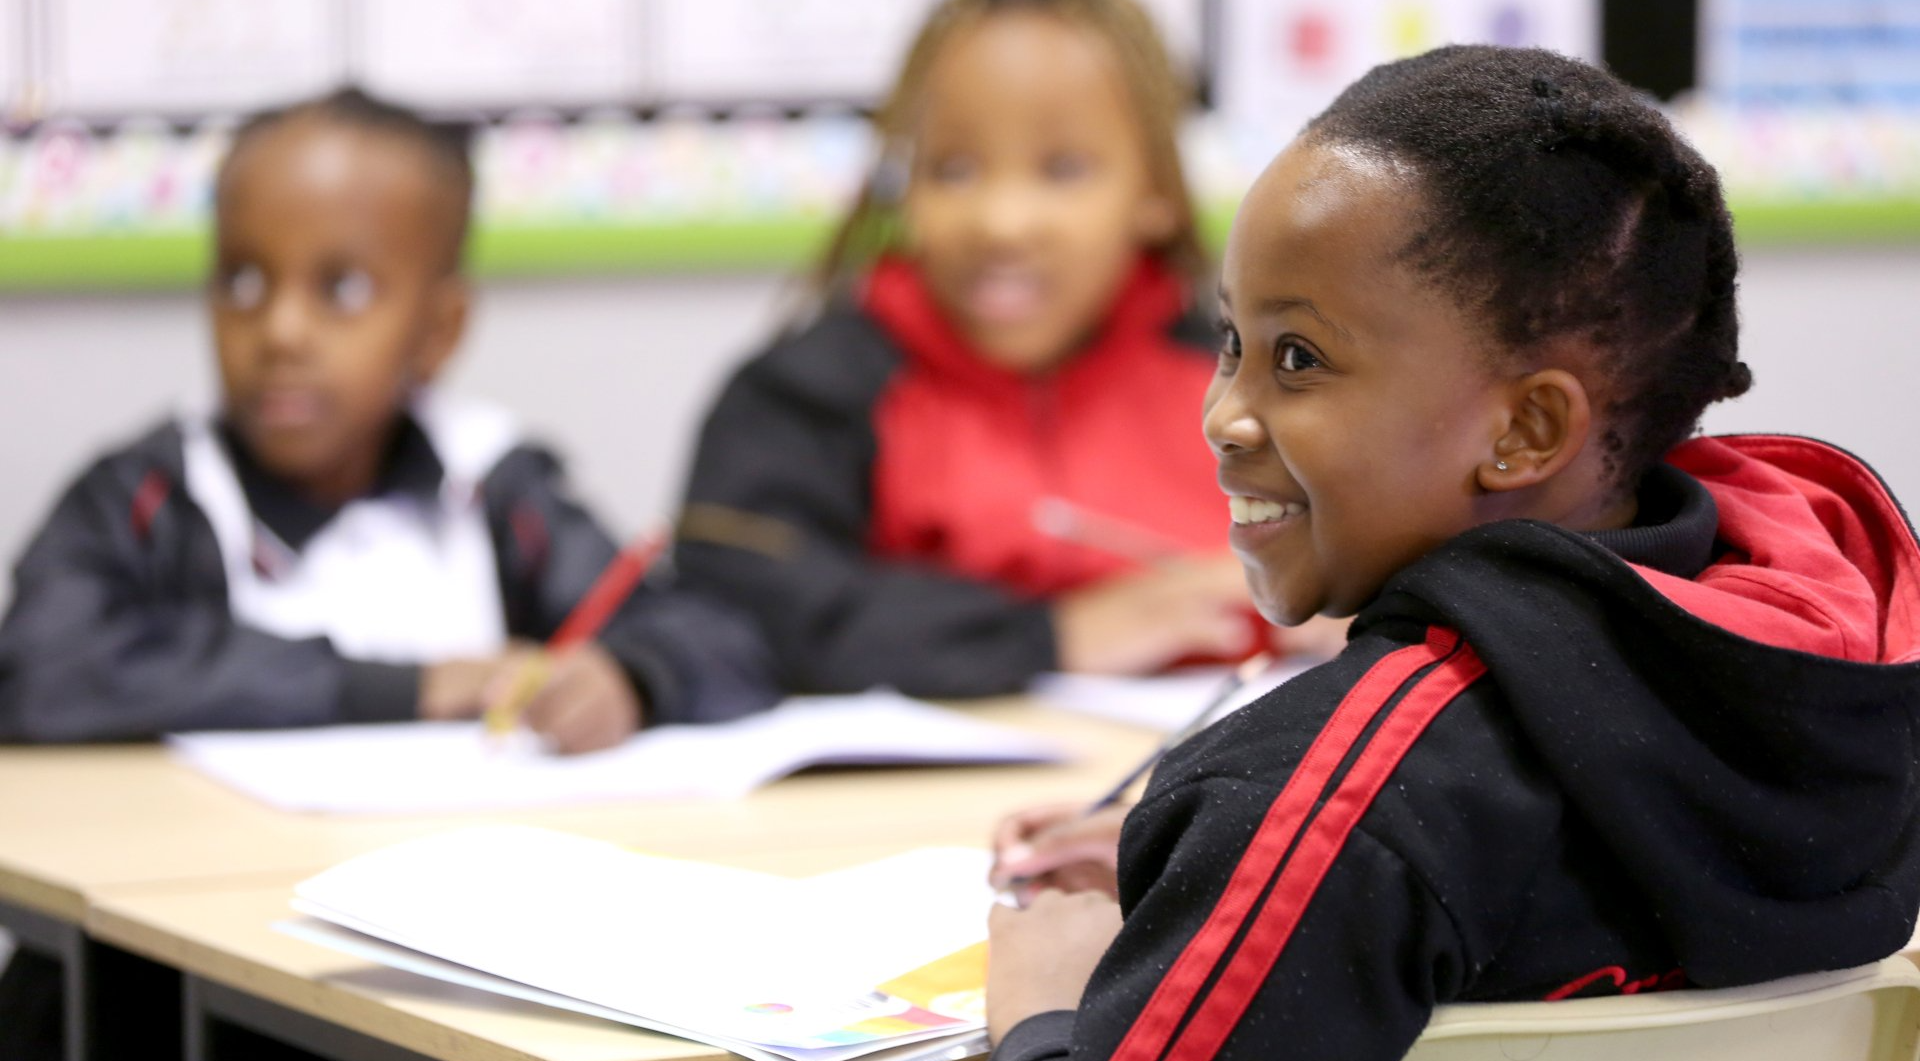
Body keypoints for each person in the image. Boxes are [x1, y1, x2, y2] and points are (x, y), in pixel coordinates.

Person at [983, 45, 1920, 1061]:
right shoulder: (1838, 687)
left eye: (1298, 357)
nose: (1223, 416)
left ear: (1524, 431)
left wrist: (1045, 1009)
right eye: (1229, 343)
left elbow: (1364, 825)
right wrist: (1216, 874)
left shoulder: (1326, 807)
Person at [0, 88, 775, 749]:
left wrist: (631, 679)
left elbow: (724, 643)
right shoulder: (153, 494)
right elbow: (41, 667)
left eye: (340, 290)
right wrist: (406, 688)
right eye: (241, 280)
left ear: (439, 331)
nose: (280, 332)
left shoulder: (496, 485)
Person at [675, 0, 1337, 698]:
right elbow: (735, 613)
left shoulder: (1253, 386)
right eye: (953, 170)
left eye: (1063, 169)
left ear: (1156, 192)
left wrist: (1333, 592)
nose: (1002, 223)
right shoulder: (805, 395)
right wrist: (1056, 634)